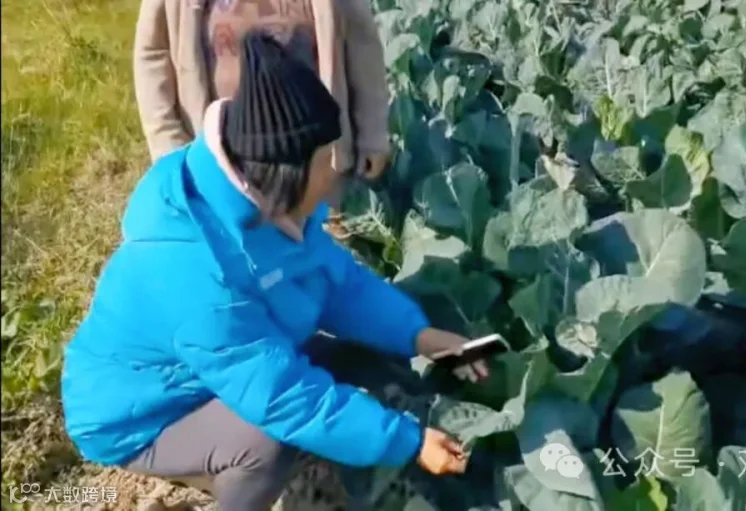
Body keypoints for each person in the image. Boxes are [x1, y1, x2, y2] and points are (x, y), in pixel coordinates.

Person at [62, 31, 488, 511]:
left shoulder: (273, 206)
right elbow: (282, 397)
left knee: (357, 360)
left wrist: (420, 335)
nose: (335, 171)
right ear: (286, 171)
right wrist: (407, 442)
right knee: (266, 445)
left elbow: (340, 286)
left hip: (223, 366)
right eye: (324, 160)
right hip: (143, 413)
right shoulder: (193, 271)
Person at [133, 0, 390, 182]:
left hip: (315, 154)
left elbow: (361, 44)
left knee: (313, 236)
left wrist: (372, 135)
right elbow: (153, 53)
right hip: (220, 154)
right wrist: (167, 143)